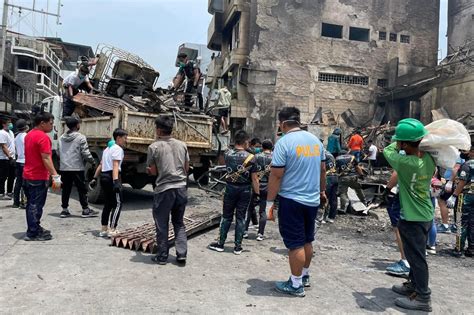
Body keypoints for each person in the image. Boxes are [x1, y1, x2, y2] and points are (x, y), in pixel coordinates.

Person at [266, 107, 326, 297]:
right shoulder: (316, 141)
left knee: (295, 244)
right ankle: (304, 276)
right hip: (312, 199)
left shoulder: (284, 143)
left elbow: (276, 176)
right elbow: (323, 170)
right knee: (307, 239)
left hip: (292, 200)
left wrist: (269, 204)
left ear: (282, 123)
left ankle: (295, 284)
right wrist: (322, 191)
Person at [383, 118, 435, 312]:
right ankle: (413, 286)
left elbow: (388, 151)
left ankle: (423, 297)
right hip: (425, 214)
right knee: (415, 256)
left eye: (400, 141)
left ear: (403, 143)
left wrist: (397, 140)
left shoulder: (404, 162)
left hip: (413, 218)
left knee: (417, 258)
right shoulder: (428, 159)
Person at [146, 116, 190, 265]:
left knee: (162, 223)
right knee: (179, 223)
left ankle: (162, 256)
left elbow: (152, 171)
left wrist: (151, 171)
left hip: (164, 189)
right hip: (181, 188)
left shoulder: (154, 147)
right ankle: (181, 254)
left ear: (158, 130)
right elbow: (186, 168)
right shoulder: (182, 145)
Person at [208, 130, 259, 255]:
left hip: (230, 188)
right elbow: (255, 179)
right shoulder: (251, 158)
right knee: (241, 217)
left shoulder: (227, 154)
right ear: (246, 141)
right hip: (245, 190)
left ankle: (220, 244)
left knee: (226, 216)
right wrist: (257, 194)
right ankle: (237, 247)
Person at [23, 112, 62, 241]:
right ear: (42, 123)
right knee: (36, 205)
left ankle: (34, 227)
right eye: (50, 123)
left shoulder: (29, 135)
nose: (52, 126)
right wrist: (55, 175)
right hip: (37, 177)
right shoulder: (43, 137)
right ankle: (33, 232)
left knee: (31, 204)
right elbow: (46, 158)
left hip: (28, 175)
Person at [58, 117, 98, 218]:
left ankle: (64, 210)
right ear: (77, 125)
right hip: (77, 168)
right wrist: (92, 161)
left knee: (66, 189)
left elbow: (58, 152)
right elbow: (85, 153)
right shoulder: (81, 137)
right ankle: (85, 210)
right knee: (81, 189)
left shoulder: (61, 138)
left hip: (64, 168)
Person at [92, 128, 128, 238]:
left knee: (108, 203)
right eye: (124, 138)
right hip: (112, 176)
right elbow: (115, 165)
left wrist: (94, 177)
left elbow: (101, 164)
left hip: (104, 176)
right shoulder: (117, 149)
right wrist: (116, 181)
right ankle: (112, 229)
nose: (126, 140)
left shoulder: (107, 149)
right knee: (117, 203)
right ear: (118, 138)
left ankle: (104, 229)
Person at [446, 146, 474, 257]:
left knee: (460, 222)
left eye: (467, 150)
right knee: (472, 223)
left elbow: (462, 182)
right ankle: (471, 249)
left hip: (465, 196)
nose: (463, 153)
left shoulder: (467, 165)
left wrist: (454, 195)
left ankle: (458, 249)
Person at [245, 139, 273, 241]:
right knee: (262, 210)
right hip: (267, 186)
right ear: (271, 147)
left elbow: (249, 169)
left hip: (255, 184)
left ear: (262, 147)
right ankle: (260, 234)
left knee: (250, 208)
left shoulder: (256, 157)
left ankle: (245, 231)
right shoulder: (274, 158)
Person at [384, 171, 410, 277]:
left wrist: (387, 189)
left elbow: (397, 172)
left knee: (399, 226)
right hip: (420, 195)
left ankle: (405, 261)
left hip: (405, 194)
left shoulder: (405, 156)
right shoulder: (427, 158)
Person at [437, 159, 463, 233]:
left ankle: (445, 225)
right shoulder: (460, 154)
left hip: (451, 180)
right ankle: (456, 225)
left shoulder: (456, 154)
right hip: (455, 181)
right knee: (457, 203)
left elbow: (456, 168)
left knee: (442, 201)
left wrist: (451, 181)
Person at [12, 119, 28, 208]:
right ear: (25, 126)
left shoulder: (16, 137)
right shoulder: (26, 136)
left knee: (18, 182)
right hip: (25, 161)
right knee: (25, 183)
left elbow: (17, 151)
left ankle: (16, 202)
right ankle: (24, 202)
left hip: (18, 161)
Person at [0, 117, 16, 200]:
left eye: (11, 122)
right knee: (3, 176)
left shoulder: (11, 132)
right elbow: (3, 146)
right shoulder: (2, 133)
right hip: (4, 158)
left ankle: (9, 192)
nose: (10, 124)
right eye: (8, 122)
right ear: (3, 124)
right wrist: (9, 156)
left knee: (12, 176)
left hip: (12, 158)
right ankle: (1, 193)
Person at [322, 150, 338, 223]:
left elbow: (322, 168)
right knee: (333, 198)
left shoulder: (321, 153)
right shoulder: (329, 153)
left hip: (328, 177)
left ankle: (323, 218)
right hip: (335, 177)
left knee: (325, 197)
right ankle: (331, 217)